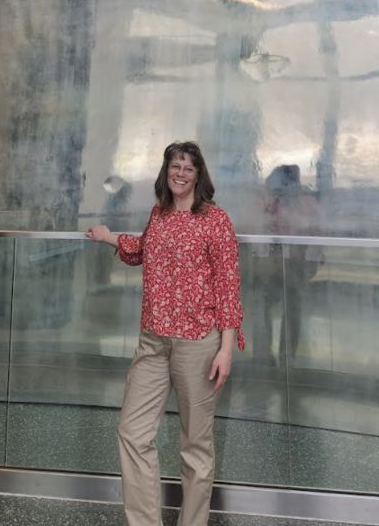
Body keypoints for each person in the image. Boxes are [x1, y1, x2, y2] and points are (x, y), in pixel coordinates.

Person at [86, 140, 245, 526]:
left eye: (188, 167)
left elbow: (227, 284)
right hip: (153, 341)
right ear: (166, 171)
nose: (180, 173)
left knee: (195, 445)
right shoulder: (159, 215)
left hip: (198, 344)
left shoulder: (215, 220)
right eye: (175, 165)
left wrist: (226, 348)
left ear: (198, 175)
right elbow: (144, 249)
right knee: (133, 431)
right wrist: (109, 237)